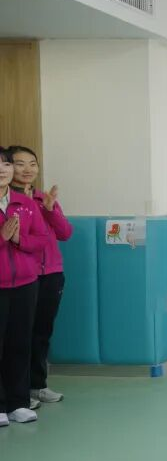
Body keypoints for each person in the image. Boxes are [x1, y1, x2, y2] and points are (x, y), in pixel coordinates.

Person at [10, 146, 71, 404]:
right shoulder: (8, 200)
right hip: (23, 276)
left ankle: (37, 385)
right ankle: (17, 391)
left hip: (52, 274)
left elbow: (65, 233)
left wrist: (49, 209)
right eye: (19, 163)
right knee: (18, 336)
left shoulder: (42, 198)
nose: (27, 169)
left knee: (42, 333)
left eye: (32, 164)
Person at [0, 148, 48, 426]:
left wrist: (19, 240)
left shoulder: (25, 203)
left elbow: (42, 239)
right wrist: (2, 237)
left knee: (19, 344)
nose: (3, 170)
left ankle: (18, 403)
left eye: (6, 164)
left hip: (26, 285)